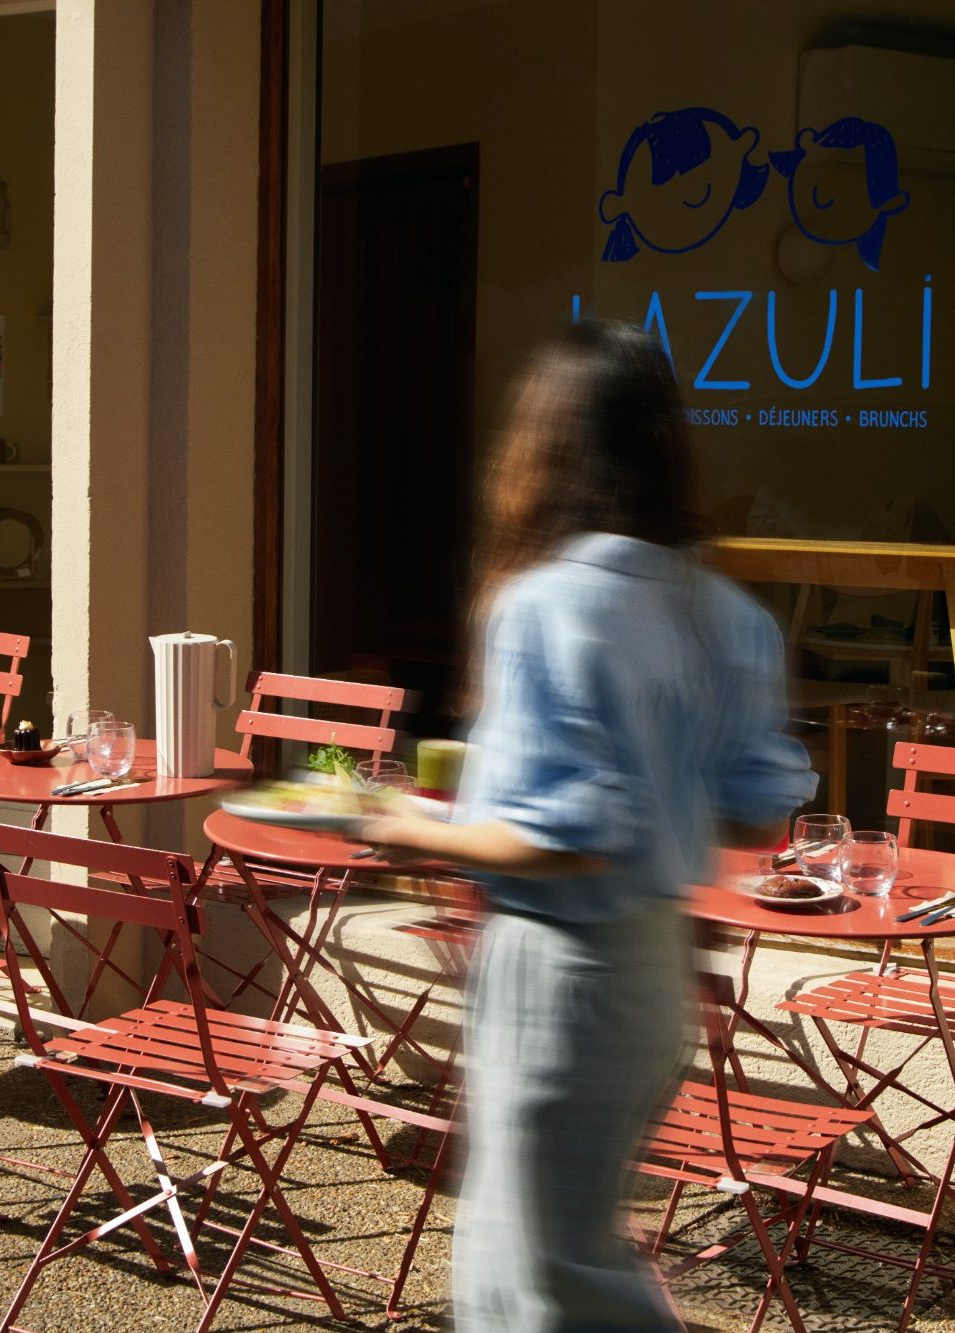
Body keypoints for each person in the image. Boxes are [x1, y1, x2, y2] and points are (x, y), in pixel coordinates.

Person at [362, 320, 815, 1332]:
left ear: (546, 445)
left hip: (557, 975)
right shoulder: (729, 614)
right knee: (564, 1258)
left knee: (535, 1283)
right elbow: (755, 815)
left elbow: (566, 835)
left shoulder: (546, 604)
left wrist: (411, 828)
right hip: (657, 975)